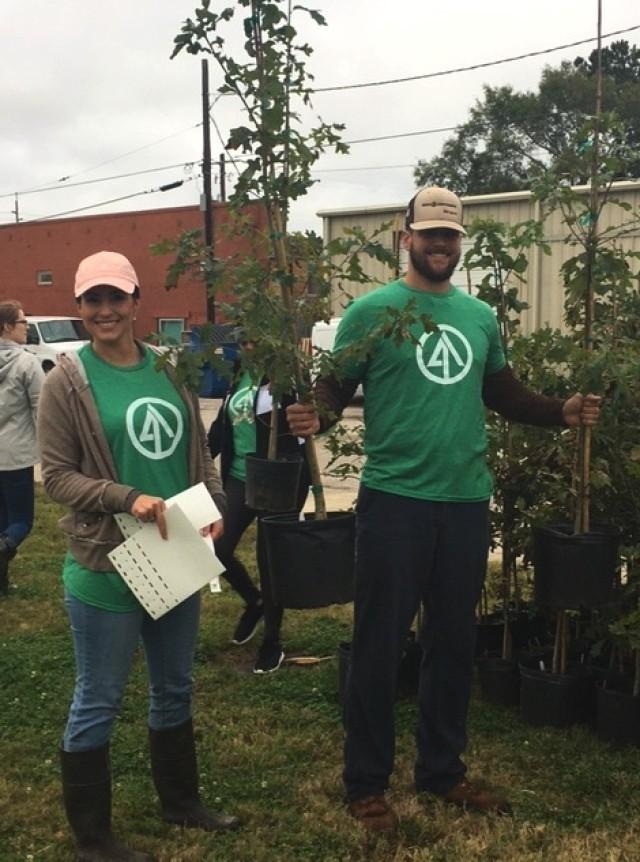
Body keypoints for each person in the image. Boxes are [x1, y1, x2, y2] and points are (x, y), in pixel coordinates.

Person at [287, 187, 601, 832]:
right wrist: (310, 414)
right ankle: (366, 783)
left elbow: (503, 391)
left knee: (453, 645)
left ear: (461, 242)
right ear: (406, 237)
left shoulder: (480, 318)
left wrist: (559, 412)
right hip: (395, 503)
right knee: (378, 646)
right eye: (429, 233)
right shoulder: (372, 312)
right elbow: (334, 386)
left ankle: (441, 772)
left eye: (450, 235)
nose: (439, 244)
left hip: (464, 502)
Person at [38, 250, 240, 862]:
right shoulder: (66, 382)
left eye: (115, 298)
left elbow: (198, 451)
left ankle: (181, 803)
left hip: (173, 556)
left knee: (174, 688)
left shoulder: (170, 369)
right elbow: (57, 479)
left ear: (135, 303)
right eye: (93, 300)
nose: (105, 310)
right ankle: (93, 840)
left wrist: (214, 503)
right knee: (98, 699)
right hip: (106, 565)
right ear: (79, 308)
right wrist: (129, 496)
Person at [208, 351, 310, 673]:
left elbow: (308, 421)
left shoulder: (288, 372)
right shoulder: (240, 372)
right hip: (239, 478)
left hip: (277, 477)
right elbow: (222, 425)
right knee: (215, 549)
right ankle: (255, 601)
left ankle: (272, 641)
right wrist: (199, 461)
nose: (250, 341)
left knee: (271, 561)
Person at [0, 300, 45, 596]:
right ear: (6, 327)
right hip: (15, 456)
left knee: (2, 521)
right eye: (23, 323)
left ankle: (1, 584)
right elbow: (43, 410)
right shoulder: (27, 363)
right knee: (21, 521)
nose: (26, 328)